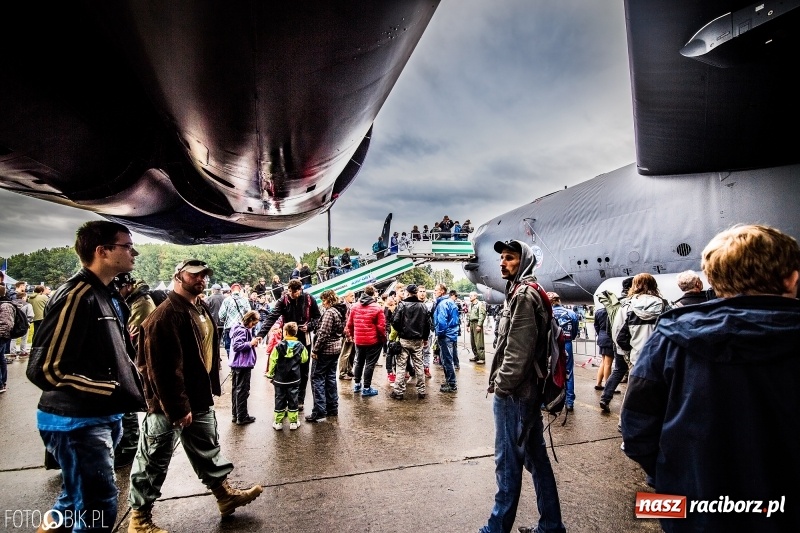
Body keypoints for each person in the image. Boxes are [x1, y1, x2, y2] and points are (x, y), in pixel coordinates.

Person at [621, 224, 800, 532]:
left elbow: (636, 431)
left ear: (713, 281)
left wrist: (673, 476)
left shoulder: (669, 339)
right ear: (792, 278)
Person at [26, 221, 146, 531]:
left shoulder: (104, 293)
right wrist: (110, 389)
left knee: (72, 499)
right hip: (77, 422)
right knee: (97, 506)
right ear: (102, 251)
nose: (134, 252)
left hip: (97, 417)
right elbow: (46, 368)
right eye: (127, 246)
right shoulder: (77, 294)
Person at [128, 259, 262, 532]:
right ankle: (139, 520)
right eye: (194, 275)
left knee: (207, 451)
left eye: (204, 276)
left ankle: (225, 497)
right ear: (178, 276)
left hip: (196, 397)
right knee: (153, 458)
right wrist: (177, 408)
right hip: (169, 403)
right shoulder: (165, 315)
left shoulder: (198, 307)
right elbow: (158, 369)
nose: (201, 279)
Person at [481, 239, 565, 533]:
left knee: (507, 464)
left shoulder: (524, 295)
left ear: (524, 261)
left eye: (510, 258)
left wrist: (501, 387)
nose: (503, 263)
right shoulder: (519, 291)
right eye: (502, 258)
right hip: (526, 392)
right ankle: (552, 526)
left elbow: (517, 353)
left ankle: (496, 528)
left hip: (516, 395)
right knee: (536, 460)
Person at [112, 272, 158, 470]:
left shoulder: (141, 302)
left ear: (128, 286)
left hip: (134, 358)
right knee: (124, 404)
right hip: (130, 357)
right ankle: (128, 445)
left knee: (126, 403)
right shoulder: (133, 299)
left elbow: (134, 333)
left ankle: (130, 447)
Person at [256, 278, 321, 411]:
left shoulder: (309, 299)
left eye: (294, 292)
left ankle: (300, 400)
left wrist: (309, 326)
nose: (292, 295)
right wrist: (260, 335)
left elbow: (317, 317)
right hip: (288, 338)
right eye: (290, 292)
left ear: (300, 289)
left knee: (303, 369)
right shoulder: (283, 300)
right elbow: (271, 317)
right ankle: (288, 399)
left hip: (304, 337)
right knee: (286, 368)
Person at [306, 289, 346, 422]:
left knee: (317, 378)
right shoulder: (341, 311)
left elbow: (323, 334)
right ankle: (332, 408)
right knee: (330, 379)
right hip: (336, 349)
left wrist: (315, 350)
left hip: (325, 351)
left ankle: (319, 411)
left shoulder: (330, 313)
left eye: (323, 300)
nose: (322, 303)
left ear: (329, 300)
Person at [598, 277, 633, 414]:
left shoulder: (615, 304)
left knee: (618, 370)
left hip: (616, 343)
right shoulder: (633, 303)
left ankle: (605, 398)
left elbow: (608, 327)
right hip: (631, 343)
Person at [389, 284, 429, 400]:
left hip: (404, 340)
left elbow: (395, 322)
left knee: (401, 366)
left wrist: (402, 330)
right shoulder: (423, 306)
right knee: (419, 365)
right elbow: (427, 325)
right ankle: (421, 391)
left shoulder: (402, 305)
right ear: (416, 293)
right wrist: (425, 338)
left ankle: (398, 392)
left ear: (407, 293)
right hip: (418, 340)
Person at [267, 321, 309, 430]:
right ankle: (293, 422)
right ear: (295, 333)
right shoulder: (300, 346)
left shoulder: (278, 346)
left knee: (279, 398)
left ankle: (278, 422)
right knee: (293, 399)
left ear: (285, 332)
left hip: (280, 379)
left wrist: (270, 374)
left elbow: (273, 360)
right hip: (294, 378)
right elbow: (305, 359)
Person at [346, 284, 386, 397]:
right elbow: (381, 327)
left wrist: (353, 336)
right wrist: (383, 339)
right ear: (373, 294)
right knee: (370, 364)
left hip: (359, 340)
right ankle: (366, 388)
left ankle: (357, 385)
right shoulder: (377, 307)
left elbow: (349, 324)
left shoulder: (354, 306)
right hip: (372, 341)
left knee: (359, 362)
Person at [548, 292, 579, 412]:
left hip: (552, 345)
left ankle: (549, 399)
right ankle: (569, 402)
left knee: (550, 371)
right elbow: (575, 330)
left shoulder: (548, 313)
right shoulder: (571, 313)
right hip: (567, 344)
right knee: (568, 373)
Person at [229, 310, 260, 425]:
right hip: (242, 364)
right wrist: (250, 343)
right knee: (242, 390)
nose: (255, 325)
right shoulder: (242, 331)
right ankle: (242, 416)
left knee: (236, 389)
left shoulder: (239, 329)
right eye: (254, 323)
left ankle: (236, 414)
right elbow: (237, 346)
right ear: (249, 320)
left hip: (236, 363)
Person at [433, 283, 460, 393]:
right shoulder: (450, 302)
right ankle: (450, 381)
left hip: (445, 335)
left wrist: (439, 333)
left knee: (446, 359)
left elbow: (442, 322)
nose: (434, 292)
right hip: (451, 334)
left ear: (442, 291)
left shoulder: (442, 304)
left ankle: (452, 384)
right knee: (448, 359)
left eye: (436, 290)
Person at [218, 282, 251, 353]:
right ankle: (239, 362)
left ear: (231, 290)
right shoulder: (245, 300)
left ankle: (231, 361)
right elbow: (249, 314)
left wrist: (224, 320)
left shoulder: (227, 300)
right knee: (242, 347)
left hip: (229, 328)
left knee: (229, 349)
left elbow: (221, 315)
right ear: (240, 290)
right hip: (242, 328)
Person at [593, 304, 614, 391]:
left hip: (601, 338)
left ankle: (598, 383)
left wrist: (600, 334)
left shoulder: (598, 312)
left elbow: (596, 325)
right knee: (608, 364)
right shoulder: (612, 312)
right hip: (609, 339)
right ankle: (608, 387)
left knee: (603, 362)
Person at [338, 290, 356, 380]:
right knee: (345, 354)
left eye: (353, 295)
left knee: (352, 353)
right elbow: (346, 322)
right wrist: (348, 335)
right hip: (347, 334)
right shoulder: (344, 307)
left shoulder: (352, 306)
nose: (353, 297)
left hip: (353, 333)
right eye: (351, 295)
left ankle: (349, 370)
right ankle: (342, 372)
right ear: (346, 297)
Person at [0, 286, 14, 392]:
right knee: (1, 359)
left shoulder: (5, 305)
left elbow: (6, 324)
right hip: (3, 336)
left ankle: (1, 383)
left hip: (2, 336)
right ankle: (2, 382)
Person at [467, 291, 487, 364]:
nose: (470, 297)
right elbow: (470, 315)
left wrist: (479, 325)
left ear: (475, 296)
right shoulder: (471, 305)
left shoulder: (480, 304)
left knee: (479, 341)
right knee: (473, 341)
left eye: (471, 296)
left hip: (477, 323)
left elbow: (482, 315)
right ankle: (476, 356)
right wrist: (468, 325)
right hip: (472, 323)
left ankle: (481, 358)